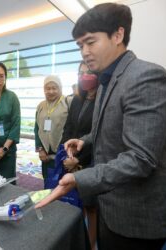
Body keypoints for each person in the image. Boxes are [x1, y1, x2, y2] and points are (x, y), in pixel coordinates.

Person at [36, 3, 166, 250]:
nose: (85, 52)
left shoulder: (147, 77)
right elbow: (108, 126)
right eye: (80, 45)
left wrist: (79, 178)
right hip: (109, 201)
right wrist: (86, 141)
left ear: (118, 35)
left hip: (137, 213)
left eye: (91, 42)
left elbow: (141, 158)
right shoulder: (105, 80)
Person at [60, 62, 99, 250]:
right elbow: (68, 128)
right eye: (80, 72)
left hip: (91, 162)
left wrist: (78, 160)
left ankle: (91, 246)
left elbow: (99, 136)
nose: (84, 76)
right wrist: (67, 154)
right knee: (76, 206)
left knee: (91, 207)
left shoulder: (103, 100)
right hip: (71, 159)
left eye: (89, 72)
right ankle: (77, 243)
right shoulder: (76, 99)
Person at [34, 75, 70, 186]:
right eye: (47, 88)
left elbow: (71, 127)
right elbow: (37, 128)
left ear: (60, 88)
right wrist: (40, 149)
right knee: (48, 182)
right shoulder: (41, 105)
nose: (51, 91)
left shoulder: (68, 102)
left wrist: (66, 151)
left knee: (63, 184)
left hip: (63, 153)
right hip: (45, 154)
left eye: (54, 88)